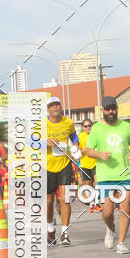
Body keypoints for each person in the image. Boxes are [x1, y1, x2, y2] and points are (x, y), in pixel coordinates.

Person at [85, 96, 130, 254]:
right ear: (102, 110)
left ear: (117, 108)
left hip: (124, 174)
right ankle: (110, 228)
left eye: (113, 108)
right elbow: (88, 151)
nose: (110, 111)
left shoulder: (126, 126)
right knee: (107, 212)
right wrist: (99, 155)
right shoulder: (96, 128)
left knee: (125, 208)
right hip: (105, 176)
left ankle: (121, 243)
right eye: (107, 109)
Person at [46, 97, 81, 246]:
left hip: (65, 164)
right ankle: (50, 229)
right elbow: (31, 141)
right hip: (46, 166)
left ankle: (65, 233)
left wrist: (76, 145)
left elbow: (74, 136)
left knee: (65, 199)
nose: (55, 107)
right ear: (47, 109)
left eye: (57, 104)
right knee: (48, 201)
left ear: (60, 107)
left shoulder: (68, 122)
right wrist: (45, 142)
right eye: (52, 105)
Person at [77, 119, 99, 212]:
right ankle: (91, 204)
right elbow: (76, 152)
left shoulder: (96, 135)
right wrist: (84, 150)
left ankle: (97, 203)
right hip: (85, 165)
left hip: (96, 163)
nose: (88, 128)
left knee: (97, 183)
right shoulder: (80, 137)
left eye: (89, 125)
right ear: (83, 127)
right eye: (86, 126)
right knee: (88, 186)